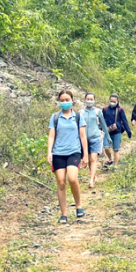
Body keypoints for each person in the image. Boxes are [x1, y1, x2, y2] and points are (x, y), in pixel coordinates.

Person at [47, 90, 88, 224]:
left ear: (72, 101)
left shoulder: (77, 116)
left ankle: (78, 205)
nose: (65, 102)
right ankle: (64, 214)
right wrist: (49, 152)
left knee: (72, 178)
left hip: (74, 152)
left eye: (67, 100)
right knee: (61, 182)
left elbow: (83, 136)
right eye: (62, 100)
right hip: (58, 153)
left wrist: (85, 154)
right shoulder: (55, 117)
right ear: (59, 102)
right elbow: (51, 136)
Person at [81, 92, 109, 189]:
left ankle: (91, 180)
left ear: (94, 100)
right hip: (85, 139)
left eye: (91, 99)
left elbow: (104, 125)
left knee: (93, 159)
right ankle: (93, 175)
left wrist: (108, 137)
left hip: (95, 137)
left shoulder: (98, 111)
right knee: (89, 160)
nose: (89, 101)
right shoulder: (81, 113)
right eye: (88, 99)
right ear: (85, 100)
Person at [101, 93, 132, 168]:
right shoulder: (105, 109)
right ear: (109, 100)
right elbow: (102, 120)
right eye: (111, 101)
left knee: (116, 149)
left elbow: (124, 121)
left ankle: (115, 165)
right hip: (107, 132)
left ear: (117, 101)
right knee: (106, 147)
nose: (112, 102)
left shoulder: (120, 110)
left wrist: (128, 131)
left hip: (117, 132)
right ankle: (110, 159)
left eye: (114, 101)